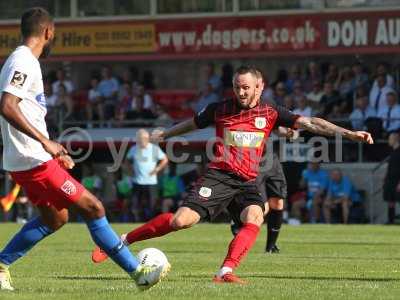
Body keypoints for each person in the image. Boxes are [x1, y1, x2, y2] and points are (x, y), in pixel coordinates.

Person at [91, 65, 373, 284]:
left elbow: (311, 123)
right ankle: (121, 242)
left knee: (254, 216)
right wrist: (165, 134)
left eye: (246, 88)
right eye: (237, 87)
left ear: (259, 87)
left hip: (248, 180)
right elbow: (191, 124)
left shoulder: (271, 112)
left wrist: (349, 134)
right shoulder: (220, 109)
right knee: (181, 221)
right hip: (219, 176)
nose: (241, 93)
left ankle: (225, 271)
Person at [0, 8, 168, 291]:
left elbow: (22, 109)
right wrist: (45, 143)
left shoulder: (20, 60)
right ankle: (138, 272)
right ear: (48, 33)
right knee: (94, 207)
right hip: (33, 158)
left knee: (55, 218)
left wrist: (54, 150)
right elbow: (7, 105)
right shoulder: (23, 60)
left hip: (26, 159)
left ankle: (1, 263)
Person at [126, 129, 168, 220]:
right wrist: (131, 170)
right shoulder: (133, 149)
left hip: (151, 182)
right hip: (137, 182)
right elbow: (127, 161)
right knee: (135, 203)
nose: (141, 140)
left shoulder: (154, 148)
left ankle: (150, 221)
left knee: (152, 204)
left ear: (147, 138)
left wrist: (157, 169)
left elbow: (165, 159)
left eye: (143, 138)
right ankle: (136, 221)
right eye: (139, 139)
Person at [383, 131, 400, 224]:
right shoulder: (392, 152)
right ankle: (391, 221)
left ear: (395, 139)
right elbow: (390, 166)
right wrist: (385, 177)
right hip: (390, 180)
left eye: (390, 139)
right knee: (390, 201)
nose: (389, 141)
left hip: (398, 180)